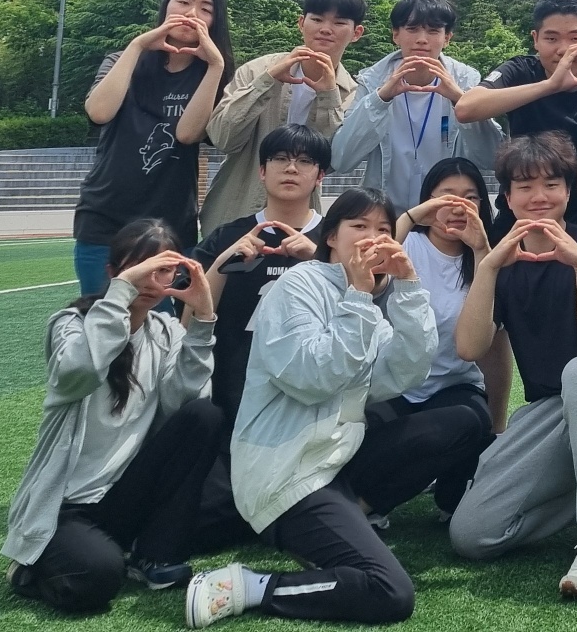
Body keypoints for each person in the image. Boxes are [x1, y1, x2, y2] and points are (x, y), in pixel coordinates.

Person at [184, 189, 452, 627]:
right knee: (390, 592)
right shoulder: (298, 286)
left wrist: (408, 287)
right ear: (331, 237)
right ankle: (250, 585)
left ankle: (346, 526)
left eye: (384, 230)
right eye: (359, 226)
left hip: (333, 459)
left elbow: (403, 374)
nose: (373, 237)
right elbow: (312, 378)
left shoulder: (363, 298)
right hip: (287, 472)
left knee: (461, 422)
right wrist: (360, 297)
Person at [448, 132, 577, 599]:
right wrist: (487, 266)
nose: (539, 197)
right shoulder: (501, 259)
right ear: (508, 197)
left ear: (568, 191)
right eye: (525, 186)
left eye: (552, 184)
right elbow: (470, 347)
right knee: (472, 535)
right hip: (549, 409)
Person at [3, 219, 224, 612]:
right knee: (97, 578)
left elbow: (185, 406)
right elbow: (80, 373)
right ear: (113, 272)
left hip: (127, 494)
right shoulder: (72, 325)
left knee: (205, 416)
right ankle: (29, 569)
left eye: (163, 270)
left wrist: (202, 319)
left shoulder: (165, 331)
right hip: (67, 506)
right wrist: (121, 293)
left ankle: (154, 556)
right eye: (139, 268)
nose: (151, 281)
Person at [74, 0, 236, 293]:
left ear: (215, 22)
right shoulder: (122, 60)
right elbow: (99, 112)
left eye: (206, 9)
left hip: (170, 227)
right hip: (104, 219)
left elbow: (187, 134)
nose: (191, 13)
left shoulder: (215, 75)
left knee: (163, 322)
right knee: (101, 317)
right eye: (183, 1)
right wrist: (137, 45)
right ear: (166, 6)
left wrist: (215, 66)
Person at [192, 125, 333, 425]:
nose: (291, 168)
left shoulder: (334, 240)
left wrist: (318, 259)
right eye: (280, 158)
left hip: (309, 388)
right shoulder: (226, 237)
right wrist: (223, 263)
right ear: (262, 171)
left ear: (320, 176)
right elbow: (189, 321)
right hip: (232, 385)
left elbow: (358, 312)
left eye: (304, 161)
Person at [200, 0, 365, 237]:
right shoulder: (256, 70)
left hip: (300, 226)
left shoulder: (352, 94)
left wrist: (328, 96)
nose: (325, 29)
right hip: (233, 212)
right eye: (317, 19)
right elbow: (223, 138)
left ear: (357, 33)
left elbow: (328, 163)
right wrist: (267, 81)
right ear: (301, 23)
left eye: (339, 22)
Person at [385, 157, 501, 498]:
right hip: (394, 385)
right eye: (446, 197)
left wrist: (481, 249)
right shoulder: (407, 244)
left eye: (470, 197)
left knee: (468, 424)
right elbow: (373, 256)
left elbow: (494, 348)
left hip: (455, 387)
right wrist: (410, 216)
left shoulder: (490, 257)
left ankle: (449, 491)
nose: (457, 207)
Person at [331, 0, 501, 215]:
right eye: (412, 29)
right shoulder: (372, 81)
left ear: (447, 38)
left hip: (448, 216)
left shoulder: (466, 81)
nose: (422, 39)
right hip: (386, 219)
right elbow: (342, 159)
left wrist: (460, 101)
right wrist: (381, 99)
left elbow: (492, 157)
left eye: (433, 31)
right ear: (395, 35)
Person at [454, 0, 577, 163]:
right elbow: (465, 108)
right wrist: (550, 85)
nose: (563, 50)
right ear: (535, 39)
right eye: (551, 39)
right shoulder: (521, 70)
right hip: (530, 180)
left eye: (576, 39)